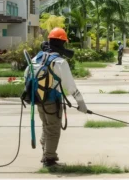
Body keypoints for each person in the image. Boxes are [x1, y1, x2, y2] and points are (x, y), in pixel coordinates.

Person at [31, 28, 88, 167]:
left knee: (46, 126)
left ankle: (45, 153)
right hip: (52, 101)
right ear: (62, 43)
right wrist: (81, 103)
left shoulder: (37, 58)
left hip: (38, 99)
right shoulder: (59, 62)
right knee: (53, 129)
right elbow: (70, 86)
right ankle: (49, 159)